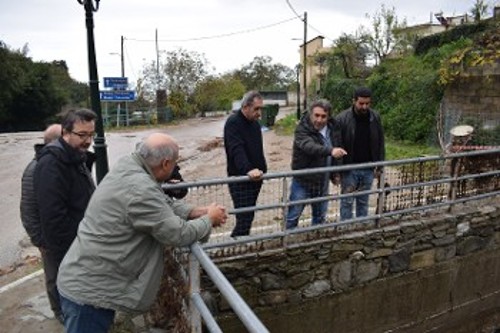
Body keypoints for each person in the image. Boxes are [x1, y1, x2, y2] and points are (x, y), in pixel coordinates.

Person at [57, 133, 227, 333]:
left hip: (89, 283)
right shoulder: (140, 187)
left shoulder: (130, 167)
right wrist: (209, 220)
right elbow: (177, 234)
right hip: (89, 295)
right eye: (174, 164)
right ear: (165, 164)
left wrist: (197, 212)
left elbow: (161, 205)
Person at [33, 108, 97, 323]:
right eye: (82, 135)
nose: (88, 141)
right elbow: (53, 218)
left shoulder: (75, 156)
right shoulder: (52, 163)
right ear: (65, 132)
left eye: (91, 135)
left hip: (81, 243)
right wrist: (73, 253)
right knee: (75, 307)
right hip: (70, 250)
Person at [286, 100, 347, 229]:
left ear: (329, 116)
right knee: (293, 215)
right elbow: (309, 147)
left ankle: (316, 243)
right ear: (310, 114)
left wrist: (335, 172)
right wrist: (331, 151)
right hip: (303, 180)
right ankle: (287, 241)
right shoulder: (302, 129)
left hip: (322, 180)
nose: (319, 120)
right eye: (316, 115)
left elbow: (338, 145)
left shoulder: (333, 128)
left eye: (323, 116)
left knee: (320, 216)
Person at [335, 87, 385, 221]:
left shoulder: (375, 117)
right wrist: (337, 171)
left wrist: (380, 165)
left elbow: (380, 142)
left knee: (363, 202)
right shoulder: (342, 119)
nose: (364, 107)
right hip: (349, 169)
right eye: (361, 103)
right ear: (354, 101)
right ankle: (346, 230)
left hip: (368, 168)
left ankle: (361, 229)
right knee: (347, 202)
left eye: (367, 103)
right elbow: (337, 145)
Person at [223, 90, 267, 237]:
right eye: (256, 109)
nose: (259, 113)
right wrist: (247, 169)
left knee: (248, 216)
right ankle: (234, 246)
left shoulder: (255, 124)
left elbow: (257, 149)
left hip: (256, 178)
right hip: (240, 178)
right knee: (244, 217)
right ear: (246, 106)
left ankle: (241, 243)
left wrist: (262, 168)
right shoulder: (233, 122)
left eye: (261, 108)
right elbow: (236, 149)